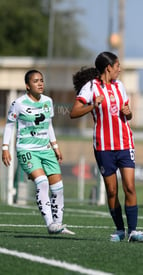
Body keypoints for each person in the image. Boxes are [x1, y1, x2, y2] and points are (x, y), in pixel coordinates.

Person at [70, 51, 143, 243]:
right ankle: (120, 230)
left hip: (125, 143)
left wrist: (128, 113)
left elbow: (127, 115)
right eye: (117, 66)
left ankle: (133, 231)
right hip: (104, 146)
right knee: (111, 190)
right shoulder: (90, 87)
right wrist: (93, 106)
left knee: (129, 186)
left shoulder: (120, 86)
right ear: (108, 68)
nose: (120, 69)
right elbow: (74, 112)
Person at [2, 69, 74, 235]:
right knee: (42, 182)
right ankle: (50, 224)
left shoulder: (48, 101)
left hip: (46, 149)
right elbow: (10, 125)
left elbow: (48, 125)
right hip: (26, 149)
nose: (40, 83)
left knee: (58, 186)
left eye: (41, 80)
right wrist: (5, 148)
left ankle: (58, 224)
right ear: (28, 86)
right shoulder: (18, 103)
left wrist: (55, 147)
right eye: (36, 81)